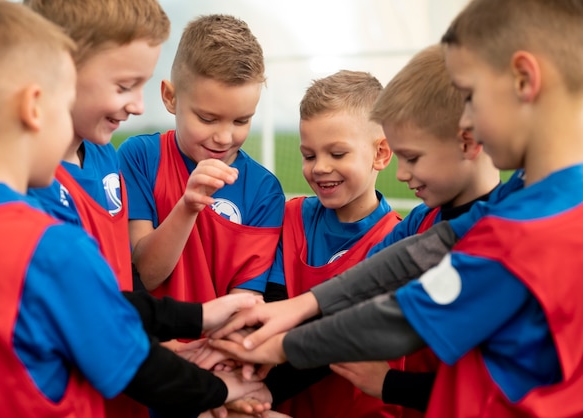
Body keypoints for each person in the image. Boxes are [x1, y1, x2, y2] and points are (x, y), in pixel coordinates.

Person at [209, 0, 583, 416]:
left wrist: (277, 346)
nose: (469, 124)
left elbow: (401, 320)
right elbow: (417, 252)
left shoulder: (526, 232)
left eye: (472, 96)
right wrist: (300, 306)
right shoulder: (524, 195)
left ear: (524, 81)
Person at [0, 2, 267, 418]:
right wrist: (217, 389)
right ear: (35, 105)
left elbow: (100, 305)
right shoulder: (49, 246)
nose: (138, 106)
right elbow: (120, 351)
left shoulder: (100, 164)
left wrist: (193, 318)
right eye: (124, 86)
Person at [329, 44, 501, 414]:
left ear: (467, 142)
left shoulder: (506, 239)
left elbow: (496, 389)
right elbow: (355, 299)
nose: (401, 173)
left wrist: (392, 384)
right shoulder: (421, 221)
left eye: (412, 157)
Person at [262, 70, 402, 418]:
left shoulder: (397, 242)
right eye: (309, 155)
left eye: (337, 154)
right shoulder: (291, 218)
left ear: (381, 153)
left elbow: (335, 342)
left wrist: (261, 391)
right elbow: (272, 304)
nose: (320, 168)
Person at [118, 14, 284, 302]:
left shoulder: (264, 190)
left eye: (241, 120)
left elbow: (245, 301)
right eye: (207, 118)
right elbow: (144, 275)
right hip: (151, 342)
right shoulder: (140, 157)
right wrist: (187, 207)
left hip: (219, 344)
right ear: (171, 98)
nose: (223, 137)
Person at [25, 0, 170, 293]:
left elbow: (121, 279)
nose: (139, 106)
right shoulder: (25, 181)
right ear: (61, 68)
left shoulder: (105, 154)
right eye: (125, 86)